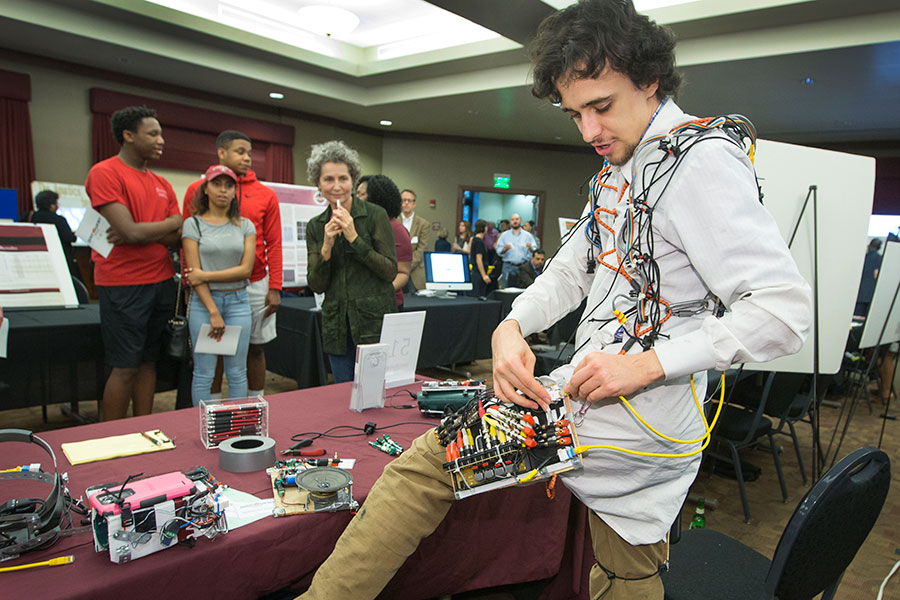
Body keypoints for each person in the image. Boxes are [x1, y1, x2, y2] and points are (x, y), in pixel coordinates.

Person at [297, 2, 811, 599]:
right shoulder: (627, 161)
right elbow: (573, 267)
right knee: (627, 567)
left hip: (634, 415)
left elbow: (782, 309)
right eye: (575, 113)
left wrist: (645, 364)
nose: (589, 131)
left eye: (601, 106)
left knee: (424, 470)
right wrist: (512, 325)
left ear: (650, 80)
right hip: (623, 410)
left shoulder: (699, 161)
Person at [85, 105, 182, 421]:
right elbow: (128, 230)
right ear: (128, 135)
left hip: (161, 281)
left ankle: (146, 428)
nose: (161, 140)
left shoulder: (162, 183)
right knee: (124, 365)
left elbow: (176, 235)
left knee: (148, 361)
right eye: (153, 133)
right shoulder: (105, 173)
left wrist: (145, 231)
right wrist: (160, 225)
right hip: (122, 283)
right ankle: (110, 437)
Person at [183, 130, 282, 399]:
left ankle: (253, 407)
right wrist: (194, 281)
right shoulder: (195, 194)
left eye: (250, 153)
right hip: (207, 293)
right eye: (240, 152)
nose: (247, 158)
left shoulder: (264, 195)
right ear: (222, 153)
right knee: (209, 362)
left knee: (253, 351)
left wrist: (275, 286)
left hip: (251, 286)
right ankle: (211, 416)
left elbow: (273, 243)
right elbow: (188, 248)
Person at [305, 141, 397, 383]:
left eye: (343, 178)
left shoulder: (375, 214)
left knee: (375, 390)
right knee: (341, 393)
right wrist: (326, 246)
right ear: (318, 183)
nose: (336, 186)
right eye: (328, 179)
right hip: (337, 323)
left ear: (353, 181)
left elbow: (389, 271)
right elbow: (316, 284)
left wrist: (354, 238)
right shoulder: (316, 225)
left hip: (373, 321)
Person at [182, 165, 255, 404]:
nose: (223, 190)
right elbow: (194, 277)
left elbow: (245, 270)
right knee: (204, 373)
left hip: (238, 302)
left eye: (229, 185)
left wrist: (205, 275)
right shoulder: (193, 224)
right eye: (217, 184)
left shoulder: (245, 225)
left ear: (235, 191)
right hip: (205, 304)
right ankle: (205, 428)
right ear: (206, 189)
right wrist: (213, 311)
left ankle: (236, 430)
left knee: (237, 372)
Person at [364, 174, 412, 310]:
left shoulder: (396, 229)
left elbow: (402, 272)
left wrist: (379, 293)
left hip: (386, 303)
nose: (356, 198)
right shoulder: (356, 226)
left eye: (362, 194)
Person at [27, 189, 79, 279]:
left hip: (36, 259)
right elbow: (69, 238)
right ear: (51, 206)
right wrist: (73, 235)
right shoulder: (59, 220)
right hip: (59, 260)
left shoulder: (28, 216)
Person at [399, 188, 430, 290]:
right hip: (395, 273)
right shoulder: (393, 221)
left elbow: (422, 249)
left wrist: (406, 267)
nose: (406, 203)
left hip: (415, 274)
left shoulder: (423, 224)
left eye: (409, 200)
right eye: (404, 200)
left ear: (414, 204)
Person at [495, 213, 536, 287]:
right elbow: (498, 251)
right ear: (510, 222)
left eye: (517, 219)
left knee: (522, 288)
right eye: (512, 219)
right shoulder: (504, 235)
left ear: (521, 221)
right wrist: (505, 249)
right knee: (506, 288)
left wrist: (531, 248)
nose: (515, 221)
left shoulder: (528, 236)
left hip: (523, 266)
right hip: (508, 266)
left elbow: (535, 251)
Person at [854, 238, 882, 317]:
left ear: (869, 246)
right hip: (871, 296)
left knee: (856, 320)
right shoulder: (881, 259)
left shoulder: (863, 258)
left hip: (859, 295)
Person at [469, 219, 492, 297]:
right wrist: (484, 275)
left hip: (475, 272)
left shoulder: (474, 239)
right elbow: (479, 259)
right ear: (485, 228)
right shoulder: (479, 242)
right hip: (479, 273)